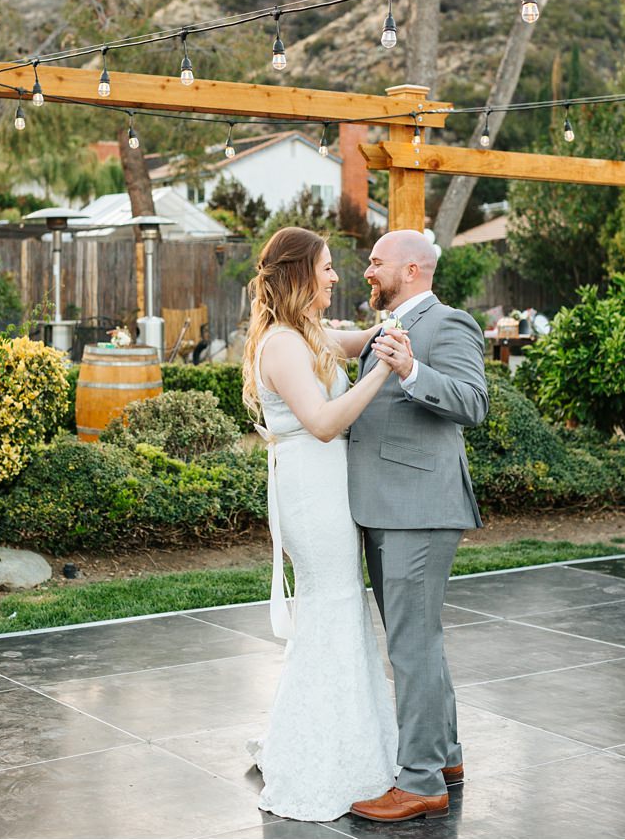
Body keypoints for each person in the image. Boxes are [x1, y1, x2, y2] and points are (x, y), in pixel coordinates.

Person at [240, 227, 403, 821]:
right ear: (299, 274)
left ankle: (345, 735)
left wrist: (392, 326)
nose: (337, 277)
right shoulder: (283, 344)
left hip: (328, 486)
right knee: (333, 603)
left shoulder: (310, 332)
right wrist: (382, 374)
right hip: (311, 487)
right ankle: (320, 753)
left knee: (338, 604)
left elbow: (356, 336)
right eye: (328, 268)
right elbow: (324, 422)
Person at [346, 229, 489, 823]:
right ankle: (446, 754)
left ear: (411, 269)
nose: (367, 271)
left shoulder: (447, 323)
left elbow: (473, 402)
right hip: (386, 506)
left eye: (376, 262)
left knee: (412, 646)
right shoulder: (383, 325)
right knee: (419, 640)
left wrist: (411, 369)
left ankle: (422, 781)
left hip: (419, 509)